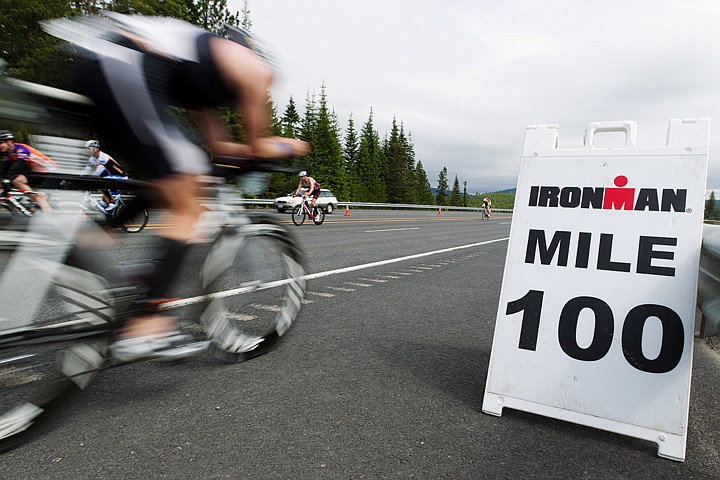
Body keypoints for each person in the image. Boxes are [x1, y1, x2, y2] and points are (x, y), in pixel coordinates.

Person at [42, 14, 309, 361]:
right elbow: (257, 146)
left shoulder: (202, 83)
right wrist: (289, 146)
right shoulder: (252, 66)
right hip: (124, 62)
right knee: (188, 205)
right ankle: (144, 321)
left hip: (95, 65)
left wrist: (243, 158)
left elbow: (223, 150)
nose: (267, 89)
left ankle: (92, 239)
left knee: (180, 174)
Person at [0, 130, 59, 212]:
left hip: (53, 173)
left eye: (1, 143)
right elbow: (3, 170)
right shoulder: (8, 154)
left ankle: (49, 217)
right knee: (18, 179)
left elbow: (19, 167)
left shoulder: (22, 149)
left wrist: (7, 182)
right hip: (39, 173)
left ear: (9, 142)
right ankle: (34, 200)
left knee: (40, 197)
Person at [82, 139, 128, 210]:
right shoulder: (92, 159)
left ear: (96, 149)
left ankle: (112, 202)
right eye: (87, 149)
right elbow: (86, 170)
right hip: (110, 177)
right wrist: (80, 178)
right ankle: (111, 208)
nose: (88, 151)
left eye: (89, 149)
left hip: (120, 176)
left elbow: (98, 171)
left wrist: (90, 180)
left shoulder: (103, 157)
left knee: (102, 182)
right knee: (104, 200)